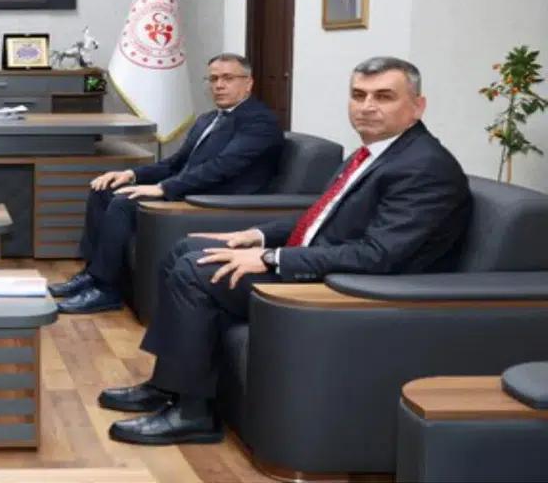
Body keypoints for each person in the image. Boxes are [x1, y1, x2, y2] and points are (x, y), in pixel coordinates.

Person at [102, 56, 472, 446]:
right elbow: (324, 215)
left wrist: (272, 258)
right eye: (358, 95)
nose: (367, 106)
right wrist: (257, 235)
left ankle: (192, 413)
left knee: (196, 271)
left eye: (383, 96)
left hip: (358, 289)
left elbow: (377, 256)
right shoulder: (376, 153)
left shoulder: (424, 167)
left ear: (417, 106)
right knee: (186, 249)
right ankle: (167, 384)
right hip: (330, 263)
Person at [52, 53, 284, 314]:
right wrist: (131, 174)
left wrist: (163, 188)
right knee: (105, 189)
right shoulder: (208, 119)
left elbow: (220, 167)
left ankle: (107, 290)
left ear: (248, 83)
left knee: (124, 203)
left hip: (216, 201)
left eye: (228, 78)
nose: (219, 85)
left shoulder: (260, 122)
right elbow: (175, 163)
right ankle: (92, 275)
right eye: (213, 79)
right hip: (191, 189)